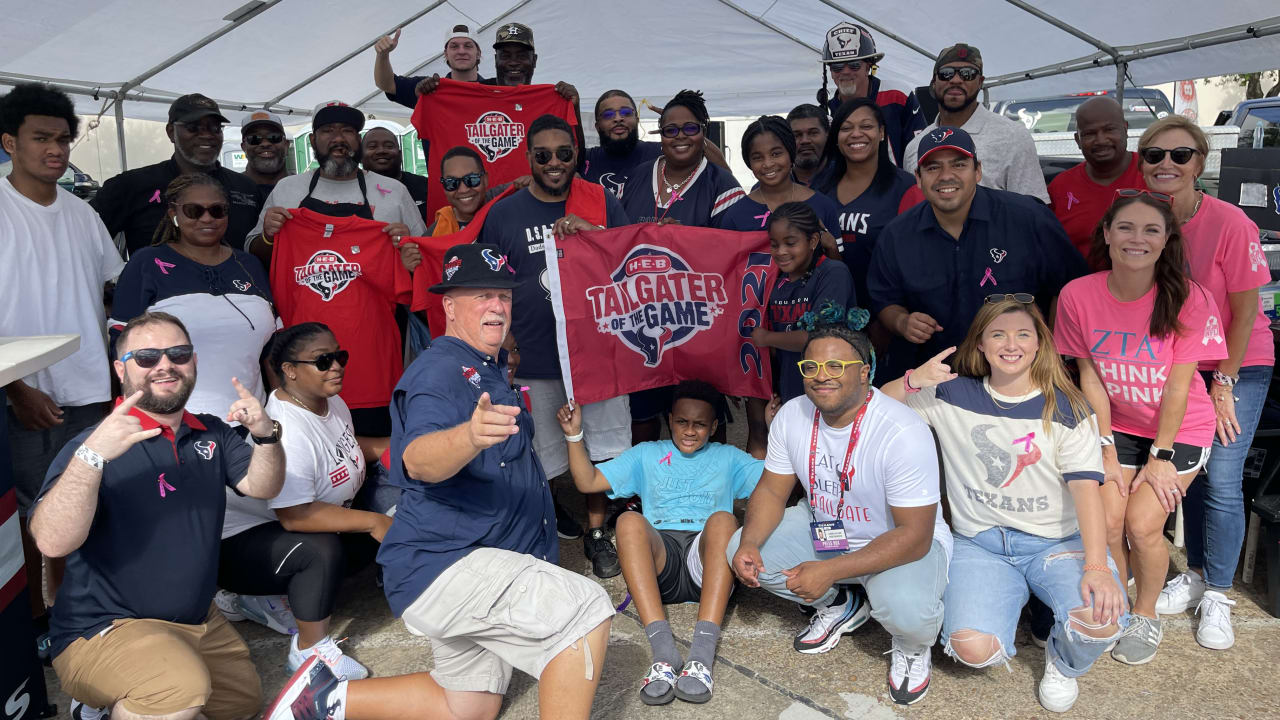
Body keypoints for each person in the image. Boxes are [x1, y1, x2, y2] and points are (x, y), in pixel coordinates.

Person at [267, 243, 614, 720]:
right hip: (450, 563)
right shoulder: (440, 372)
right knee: (584, 610)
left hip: (475, 558)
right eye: (481, 296)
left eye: (504, 296)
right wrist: (468, 437)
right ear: (449, 306)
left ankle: (323, 701)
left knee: (468, 706)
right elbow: (419, 460)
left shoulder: (487, 365)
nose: (497, 306)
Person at [29, 311, 285, 720]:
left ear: (194, 362)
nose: (165, 365)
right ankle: (110, 696)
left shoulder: (211, 432)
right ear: (121, 369)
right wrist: (92, 457)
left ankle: (113, 705)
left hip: (196, 621)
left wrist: (266, 435)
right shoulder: (92, 445)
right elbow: (52, 542)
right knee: (176, 691)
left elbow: (264, 486)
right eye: (146, 357)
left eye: (178, 353)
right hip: (104, 629)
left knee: (240, 705)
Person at [880, 298, 1126, 713]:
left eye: (1022, 335)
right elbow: (879, 408)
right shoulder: (951, 394)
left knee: (1102, 623)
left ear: (1039, 345)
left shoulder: (1067, 406)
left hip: (1055, 542)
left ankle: (1063, 663)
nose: (1010, 344)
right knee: (973, 649)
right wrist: (911, 380)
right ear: (980, 343)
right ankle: (1011, 606)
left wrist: (1098, 566)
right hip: (982, 544)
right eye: (998, 334)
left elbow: (1087, 493)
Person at [728, 305, 951, 705]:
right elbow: (772, 492)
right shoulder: (793, 414)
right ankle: (843, 601)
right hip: (827, 531)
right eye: (810, 366)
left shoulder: (902, 430)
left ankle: (912, 645)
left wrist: (828, 570)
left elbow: (915, 537)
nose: (820, 376)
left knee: (908, 612)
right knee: (741, 549)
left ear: (865, 372)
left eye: (835, 365)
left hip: (896, 545)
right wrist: (749, 542)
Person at [1054, 190, 1226, 665]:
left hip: (1179, 429)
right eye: (1126, 227)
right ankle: (1119, 600)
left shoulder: (1189, 297)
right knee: (1108, 521)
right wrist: (1105, 449)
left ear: (1167, 239)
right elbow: (1089, 376)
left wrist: (1161, 458)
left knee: (1142, 524)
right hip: (1119, 424)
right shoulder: (1077, 295)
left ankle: (1145, 615)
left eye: (1151, 229)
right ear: (1107, 234)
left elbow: (1179, 386)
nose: (1137, 238)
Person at [1139, 117, 1274, 650]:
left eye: (1180, 154)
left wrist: (1224, 382)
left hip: (1236, 361)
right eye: (1154, 155)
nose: (1166, 165)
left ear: (1201, 162)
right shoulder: (1144, 219)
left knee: (1219, 474)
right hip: (1178, 362)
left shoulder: (1230, 222)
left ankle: (1218, 591)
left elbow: (1243, 314)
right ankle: (1194, 571)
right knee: (1184, 471)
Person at [480, 114, 631, 577]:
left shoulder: (600, 200)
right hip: (534, 357)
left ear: (577, 156)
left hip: (598, 354)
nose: (553, 162)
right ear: (528, 158)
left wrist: (593, 233)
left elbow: (633, 261)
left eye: (564, 153)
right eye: (542, 155)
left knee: (602, 450)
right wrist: (502, 336)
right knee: (539, 452)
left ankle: (598, 529)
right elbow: (488, 282)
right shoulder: (504, 212)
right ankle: (544, 527)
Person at [0, 82, 125, 641]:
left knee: (85, 503)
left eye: (64, 139)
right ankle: (37, 623)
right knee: (32, 515)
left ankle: (78, 612)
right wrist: (15, 389)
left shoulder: (82, 213)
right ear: (9, 142)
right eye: (41, 138)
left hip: (89, 390)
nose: (56, 149)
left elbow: (110, 290)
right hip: (21, 395)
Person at [557, 380, 763, 705]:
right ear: (670, 419)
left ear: (714, 426)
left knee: (724, 520)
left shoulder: (728, 457)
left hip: (707, 565)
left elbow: (777, 483)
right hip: (660, 565)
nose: (690, 431)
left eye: (699, 424)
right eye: (682, 421)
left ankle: (701, 654)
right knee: (627, 521)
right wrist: (573, 435)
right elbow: (588, 481)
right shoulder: (648, 453)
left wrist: (772, 429)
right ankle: (664, 653)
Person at [219, 323, 385, 681]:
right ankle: (309, 650)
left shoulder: (330, 400)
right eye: (323, 360)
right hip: (238, 546)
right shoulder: (286, 427)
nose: (336, 366)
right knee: (323, 549)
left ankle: (260, 600)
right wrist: (375, 521)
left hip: (280, 530)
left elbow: (347, 445)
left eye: (339, 356)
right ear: (290, 371)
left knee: (367, 532)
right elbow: (295, 516)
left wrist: (399, 448)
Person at [868, 127, 1085, 380]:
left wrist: (1052, 356)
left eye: (958, 165)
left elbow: (1069, 288)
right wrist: (902, 322)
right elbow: (884, 300)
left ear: (978, 171)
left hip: (1020, 380)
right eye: (933, 168)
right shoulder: (897, 235)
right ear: (917, 177)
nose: (945, 176)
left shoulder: (1028, 219)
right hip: (935, 383)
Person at [109, 173, 275, 420]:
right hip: (175, 425)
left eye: (217, 210)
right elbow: (121, 346)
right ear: (173, 214)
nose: (207, 218)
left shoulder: (249, 265)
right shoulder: (146, 263)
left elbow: (273, 349)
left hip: (250, 423)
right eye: (193, 210)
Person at [246, 100, 426, 267]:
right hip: (302, 300)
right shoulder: (287, 188)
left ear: (358, 140)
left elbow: (424, 253)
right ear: (312, 141)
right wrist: (268, 236)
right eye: (327, 130)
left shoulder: (395, 191)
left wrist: (407, 245)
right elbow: (252, 252)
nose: (338, 138)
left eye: (347, 130)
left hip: (378, 300)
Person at [745, 203, 856, 458]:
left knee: (829, 458)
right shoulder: (777, 280)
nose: (781, 252)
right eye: (774, 244)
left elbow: (819, 337)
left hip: (831, 388)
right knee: (795, 458)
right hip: (791, 390)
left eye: (790, 243)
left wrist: (767, 338)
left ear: (813, 240)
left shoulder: (832, 273)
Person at [92, 93, 261, 257]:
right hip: (156, 285)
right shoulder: (131, 185)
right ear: (171, 132)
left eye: (215, 127)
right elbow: (84, 239)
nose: (207, 135)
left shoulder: (246, 188)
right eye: (193, 128)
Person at [903, 45, 1050, 203]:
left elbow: (1034, 210)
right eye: (946, 74)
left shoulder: (1013, 136)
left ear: (980, 82)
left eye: (968, 74)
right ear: (934, 82)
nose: (956, 80)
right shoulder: (915, 146)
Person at [815, 97, 920, 305]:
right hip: (831, 312)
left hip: (889, 317)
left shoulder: (907, 188)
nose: (856, 134)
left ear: (881, 133)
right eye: (846, 128)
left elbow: (917, 262)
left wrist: (892, 318)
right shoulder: (820, 188)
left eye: (866, 126)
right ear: (836, 136)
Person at [619, 89, 744, 226]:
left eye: (690, 129)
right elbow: (616, 236)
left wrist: (685, 239)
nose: (680, 136)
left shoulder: (724, 188)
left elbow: (736, 245)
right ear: (661, 135)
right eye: (670, 130)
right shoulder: (635, 177)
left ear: (704, 132)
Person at [1048, 97, 1147, 266]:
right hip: (1077, 289)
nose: (1101, 140)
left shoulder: (1152, 175)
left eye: (1109, 129)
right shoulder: (1060, 187)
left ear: (1126, 129)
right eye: (1089, 134)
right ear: (1077, 140)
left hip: (1147, 288)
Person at [815, 22, 924, 168]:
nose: (845, 72)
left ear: (868, 67)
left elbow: (918, 151)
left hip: (901, 187)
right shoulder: (826, 115)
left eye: (854, 65)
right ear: (830, 72)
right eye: (837, 67)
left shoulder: (897, 95)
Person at [716, 115, 841, 237]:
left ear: (790, 153)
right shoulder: (735, 215)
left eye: (776, 154)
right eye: (757, 157)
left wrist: (830, 245)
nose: (768, 164)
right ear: (749, 162)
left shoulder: (823, 206)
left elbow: (836, 257)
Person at [375, 24, 489, 112]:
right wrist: (383, 55)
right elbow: (387, 85)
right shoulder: (428, 88)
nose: (461, 51)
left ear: (478, 53)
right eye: (454, 46)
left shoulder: (493, 91)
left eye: (468, 46)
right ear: (446, 54)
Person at [583, 89, 662, 196]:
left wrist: (677, 123)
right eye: (608, 115)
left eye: (626, 113)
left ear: (637, 120)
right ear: (598, 127)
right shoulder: (584, 160)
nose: (618, 118)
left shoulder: (661, 153)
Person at [361, 126, 430, 223]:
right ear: (360, 156)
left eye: (389, 146)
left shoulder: (426, 186)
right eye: (372, 146)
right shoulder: (352, 190)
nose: (381, 151)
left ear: (400, 154)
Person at [240, 110, 293, 203]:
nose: (265, 144)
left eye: (274, 137)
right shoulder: (230, 188)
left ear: (286, 145)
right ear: (244, 147)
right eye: (254, 138)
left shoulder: (306, 187)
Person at [788, 104, 831, 187]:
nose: (805, 141)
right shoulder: (769, 189)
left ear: (827, 134)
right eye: (797, 135)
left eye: (813, 133)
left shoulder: (847, 178)